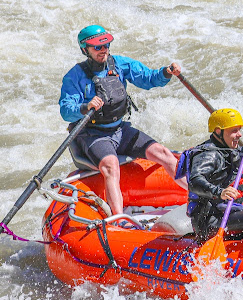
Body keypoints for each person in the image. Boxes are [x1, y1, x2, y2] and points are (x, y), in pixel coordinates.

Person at [59, 25, 185, 217]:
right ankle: (118, 220)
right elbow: (66, 111)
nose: (104, 50)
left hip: (120, 130)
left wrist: (166, 73)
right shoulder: (74, 76)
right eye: (97, 47)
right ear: (85, 49)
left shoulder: (119, 64)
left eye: (106, 45)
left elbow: (148, 78)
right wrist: (85, 107)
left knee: (163, 153)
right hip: (93, 135)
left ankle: (198, 196)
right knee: (111, 165)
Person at [182, 109, 243, 242]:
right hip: (212, 222)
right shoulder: (209, 154)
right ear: (219, 131)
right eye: (234, 131)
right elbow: (195, 181)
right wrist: (220, 192)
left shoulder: (230, 150)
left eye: (239, 129)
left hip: (230, 212)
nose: (239, 135)